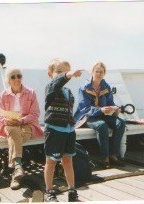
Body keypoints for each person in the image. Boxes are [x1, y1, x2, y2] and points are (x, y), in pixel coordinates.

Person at [0, 68, 43, 190]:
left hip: (27, 124)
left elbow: (35, 113)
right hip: (10, 124)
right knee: (12, 130)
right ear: (8, 81)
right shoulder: (3, 94)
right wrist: (7, 121)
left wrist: (21, 120)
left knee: (15, 135)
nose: (17, 79)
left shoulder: (31, 92)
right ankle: (18, 167)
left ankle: (16, 169)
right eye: (13, 77)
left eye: (19, 76)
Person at [44, 59, 82, 202]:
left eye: (64, 72)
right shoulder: (50, 87)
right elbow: (58, 82)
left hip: (68, 131)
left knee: (68, 161)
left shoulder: (69, 92)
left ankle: (72, 190)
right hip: (54, 131)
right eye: (59, 72)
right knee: (51, 162)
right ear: (50, 74)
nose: (62, 75)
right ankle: (49, 192)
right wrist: (68, 74)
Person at [74, 62, 125, 169]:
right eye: (96, 71)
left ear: (104, 73)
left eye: (101, 71)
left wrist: (115, 108)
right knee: (101, 125)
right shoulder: (84, 88)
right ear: (92, 72)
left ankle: (113, 154)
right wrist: (101, 110)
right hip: (87, 117)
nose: (99, 73)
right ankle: (105, 157)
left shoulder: (106, 87)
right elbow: (84, 109)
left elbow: (111, 102)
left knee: (120, 123)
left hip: (103, 114)